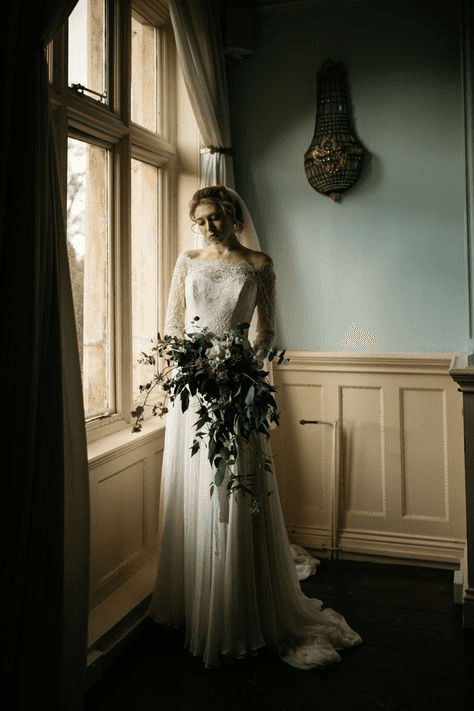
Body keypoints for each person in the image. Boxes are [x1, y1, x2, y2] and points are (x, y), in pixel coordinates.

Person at [148, 185, 361, 669]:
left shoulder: (259, 264)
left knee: (238, 483)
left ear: (232, 215)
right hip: (195, 387)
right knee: (198, 481)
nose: (207, 228)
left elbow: (266, 330)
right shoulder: (188, 261)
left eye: (214, 219)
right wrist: (193, 366)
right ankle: (197, 595)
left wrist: (243, 363)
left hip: (238, 382)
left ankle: (239, 596)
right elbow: (174, 325)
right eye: (199, 221)